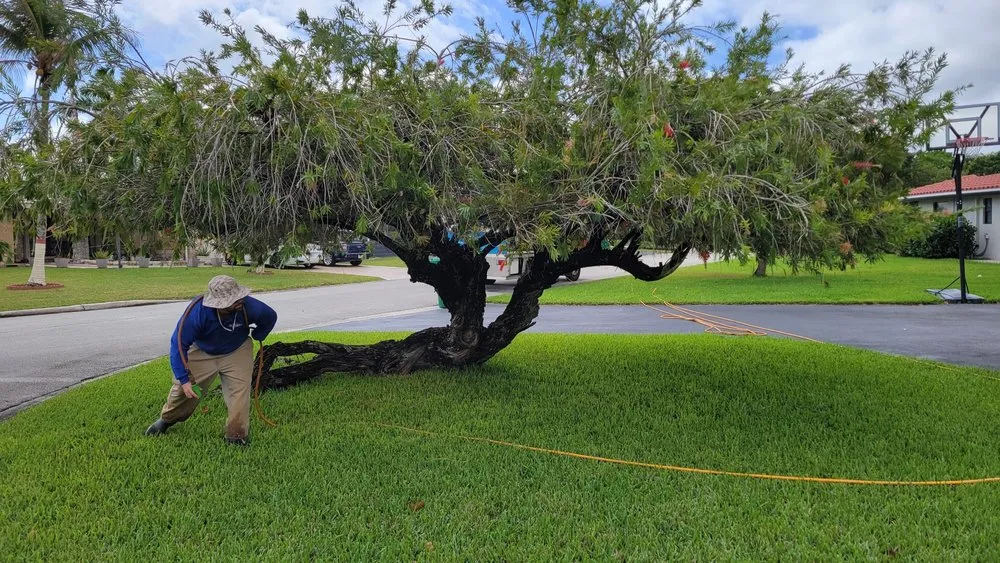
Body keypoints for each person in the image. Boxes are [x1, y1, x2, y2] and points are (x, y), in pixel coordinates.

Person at [145, 275, 278, 445]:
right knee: (191, 391)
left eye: (238, 298)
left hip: (236, 351)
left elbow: (270, 316)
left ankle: (236, 436)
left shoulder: (248, 306)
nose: (238, 303)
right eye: (232, 302)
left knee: (238, 393)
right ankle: (168, 419)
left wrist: (259, 334)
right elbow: (178, 345)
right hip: (202, 352)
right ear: (218, 305)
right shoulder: (197, 313)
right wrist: (184, 380)